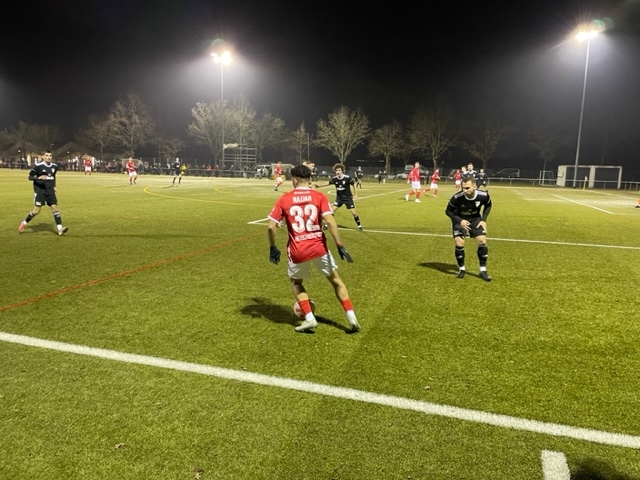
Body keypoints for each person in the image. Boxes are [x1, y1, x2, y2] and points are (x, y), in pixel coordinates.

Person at [267, 164, 361, 333]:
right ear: (310, 179)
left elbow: (271, 227)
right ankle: (352, 319)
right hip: (319, 247)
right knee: (336, 281)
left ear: (294, 179)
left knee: (296, 282)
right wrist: (339, 245)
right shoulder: (319, 196)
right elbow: (330, 222)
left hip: (297, 249)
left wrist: (273, 247)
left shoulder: (285, 199)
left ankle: (310, 318)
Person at [445, 173, 492, 281]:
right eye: (463, 188)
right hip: (459, 219)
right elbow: (448, 211)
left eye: (467, 188)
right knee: (459, 243)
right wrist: (460, 221)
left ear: (475, 186)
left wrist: (483, 220)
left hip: (475, 219)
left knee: (482, 240)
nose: (465, 190)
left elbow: (488, 205)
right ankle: (461, 269)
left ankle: (483, 271)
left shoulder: (483, 195)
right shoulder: (457, 197)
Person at [18, 150, 69, 236]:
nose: (49, 157)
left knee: (55, 209)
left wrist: (54, 186)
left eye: (50, 156)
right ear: (43, 157)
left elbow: (53, 176)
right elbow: (30, 177)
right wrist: (38, 178)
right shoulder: (38, 166)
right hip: (40, 191)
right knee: (36, 211)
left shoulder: (54, 166)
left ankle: (60, 229)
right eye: (47, 155)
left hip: (50, 191)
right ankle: (24, 223)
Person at [314, 163, 363, 231]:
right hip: (339, 198)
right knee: (331, 212)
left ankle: (359, 226)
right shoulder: (335, 179)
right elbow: (328, 183)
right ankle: (326, 225)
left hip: (348, 198)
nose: (338, 172)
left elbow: (354, 184)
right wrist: (319, 186)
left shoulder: (347, 178)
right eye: (336, 170)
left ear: (342, 171)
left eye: (339, 170)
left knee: (354, 213)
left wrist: (356, 194)